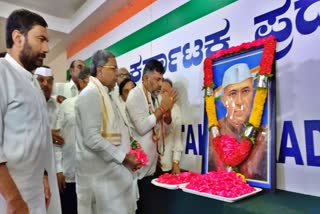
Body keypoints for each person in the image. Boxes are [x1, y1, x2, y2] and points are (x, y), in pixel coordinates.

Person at [0, 9, 61, 213]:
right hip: (9, 199)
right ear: (18, 38)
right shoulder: (2, 73)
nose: (46, 48)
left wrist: (44, 174)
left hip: (35, 193)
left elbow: (37, 137)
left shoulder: (32, 82)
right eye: (41, 39)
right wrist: (13, 199)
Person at [75, 50, 141, 213]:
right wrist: (124, 158)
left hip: (112, 180)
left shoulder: (107, 95)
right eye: (113, 68)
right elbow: (92, 139)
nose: (117, 73)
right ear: (99, 70)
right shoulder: (90, 94)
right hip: (100, 181)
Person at [209, 63, 267, 180]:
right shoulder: (215, 132)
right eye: (233, 93)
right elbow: (223, 173)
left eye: (245, 91)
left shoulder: (263, 134)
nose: (239, 101)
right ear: (224, 100)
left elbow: (251, 173)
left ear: (253, 95)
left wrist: (261, 143)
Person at [126, 59, 177, 179]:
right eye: (157, 79)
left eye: (161, 79)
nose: (160, 84)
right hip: (138, 167)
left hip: (152, 164)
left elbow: (164, 130)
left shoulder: (155, 96)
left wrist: (168, 117)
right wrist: (162, 108)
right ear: (145, 78)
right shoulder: (135, 95)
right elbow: (142, 128)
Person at [55, 67, 90, 214]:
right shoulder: (66, 105)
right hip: (70, 173)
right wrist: (59, 169)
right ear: (82, 83)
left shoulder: (101, 108)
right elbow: (57, 138)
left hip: (92, 174)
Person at [159, 78, 183, 175]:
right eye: (163, 91)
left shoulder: (175, 109)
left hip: (166, 163)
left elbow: (177, 137)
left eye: (168, 92)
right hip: (149, 163)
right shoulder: (151, 107)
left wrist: (175, 161)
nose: (165, 95)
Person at [35, 66, 65, 146]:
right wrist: (47, 135)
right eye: (41, 80)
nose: (46, 84)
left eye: (49, 81)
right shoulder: (25, 105)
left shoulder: (58, 105)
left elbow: (60, 134)